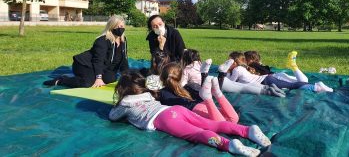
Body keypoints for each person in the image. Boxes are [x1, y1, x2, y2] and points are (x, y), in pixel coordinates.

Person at [109, 72, 272, 156]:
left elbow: (113, 116)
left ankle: (228, 144)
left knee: (197, 134)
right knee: (212, 124)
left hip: (163, 118)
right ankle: (247, 130)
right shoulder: (147, 95)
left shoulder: (125, 104)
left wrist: (118, 103)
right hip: (174, 110)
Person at [43, 15, 129, 88]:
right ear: (111, 27)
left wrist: (127, 76)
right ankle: (61, 80)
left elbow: (123, 60)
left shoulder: (123, 40)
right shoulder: (102, 40)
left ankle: (94, 76)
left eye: (121, 26)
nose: (120, 29)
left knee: (111, 79)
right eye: (117, 26)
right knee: (88, 83)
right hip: (84, 64)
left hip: (102, 67)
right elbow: (98, 60)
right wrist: (98, 78)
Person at [160, 62, 239, 123]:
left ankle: (211, 96)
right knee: (234, 119)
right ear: (180, 77)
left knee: (223, 124)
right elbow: (200, 96)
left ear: (162, 77)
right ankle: (217, 93)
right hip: (204, 105)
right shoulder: (186, 87)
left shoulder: (162, 93)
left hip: (195, 110)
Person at [226, 51, 333, 93]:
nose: (227, 62)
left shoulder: (238, 69)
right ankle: (317, 86)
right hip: (269, 78)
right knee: (297, 83)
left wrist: (225, 71)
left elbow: (229, 83)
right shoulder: (243, 68)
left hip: (267, 80)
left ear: (235, 62)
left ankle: (316, 87)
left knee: (293, 85)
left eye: (229, 60)